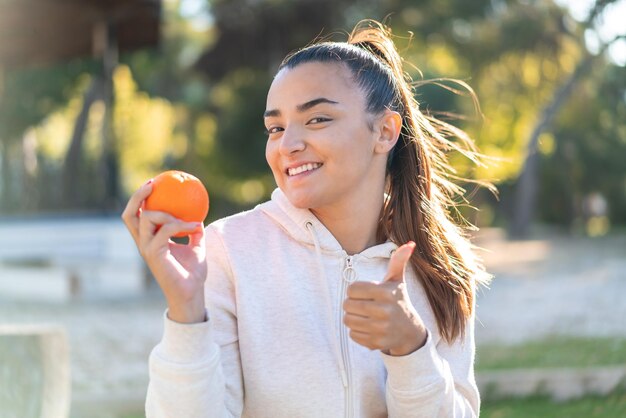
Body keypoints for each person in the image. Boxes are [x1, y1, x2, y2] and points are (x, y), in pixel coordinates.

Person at [122, 19, 492, 418]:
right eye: (275, 127)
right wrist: (186, 313)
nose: (289, 145)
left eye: (317, 119)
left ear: (384, 132)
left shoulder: (440, 268)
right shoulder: (229, 250)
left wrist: (410, 349)